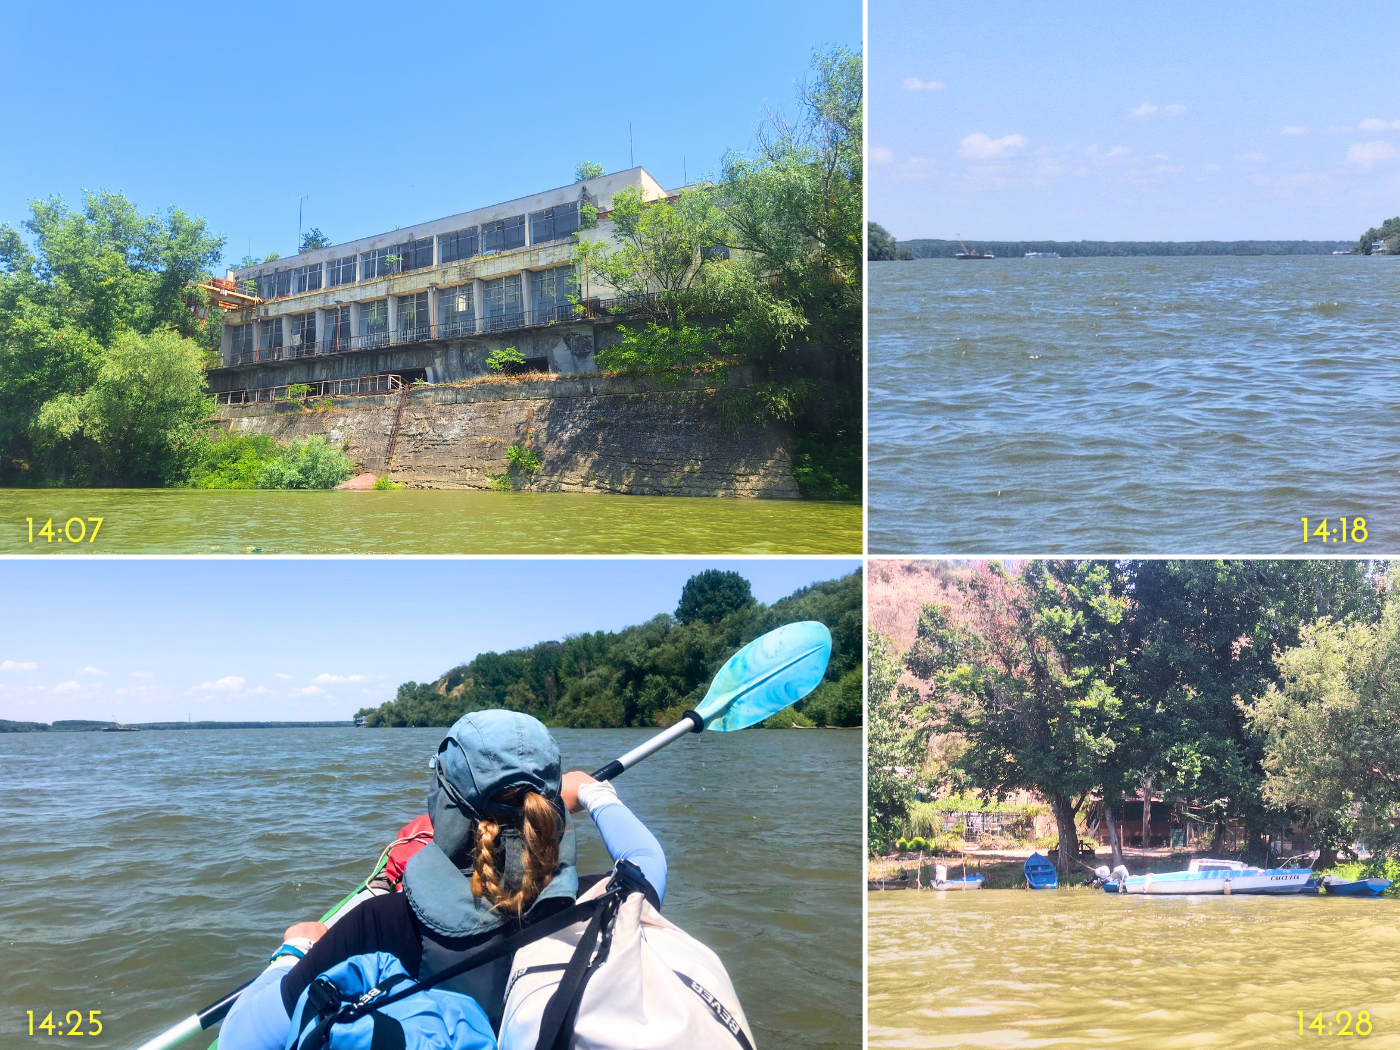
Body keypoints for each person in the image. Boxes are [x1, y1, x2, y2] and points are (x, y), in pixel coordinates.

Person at [220, 710, 666, 1049]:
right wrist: (592, 789)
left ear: (444, 806)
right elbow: (647, 858)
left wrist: (291, 952)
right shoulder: (604, 906)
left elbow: (240, 1038)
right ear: (549, 809)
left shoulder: (379, 922)